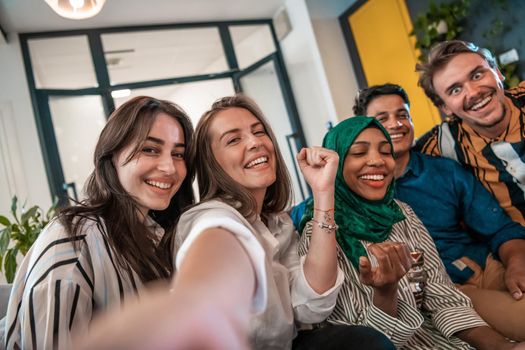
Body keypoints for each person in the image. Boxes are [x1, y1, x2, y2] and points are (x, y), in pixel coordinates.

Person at [173, 94, 394, 350]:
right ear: (212, 164)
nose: (255, 142)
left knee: (364, 341)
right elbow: (215, 240)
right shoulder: (211, 218)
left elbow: (311, 306)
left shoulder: (278, 223)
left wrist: (323, 192)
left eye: (259, 132)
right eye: (234, 139)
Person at [298, 115, 525, 349]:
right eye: (358, 153)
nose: (377, 160)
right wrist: (386, 293)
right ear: (335, 165)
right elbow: (364, 342)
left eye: (386, 151)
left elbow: (442, 297)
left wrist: (502, 347)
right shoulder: (320, 235)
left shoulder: (401, 213)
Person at [4, 96, 196, 349]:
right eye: (150, 149)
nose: (170, 167)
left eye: (178, 153)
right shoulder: (74, 241)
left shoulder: (155, 232)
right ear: (112, 155)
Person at [353, 83, 525, 340]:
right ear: (363, 129)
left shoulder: (444, 172)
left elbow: (499, 228)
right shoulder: (354, 188)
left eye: (402, 115)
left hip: (485, 264)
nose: (396, 124)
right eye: (382, 118)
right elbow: (306, 215)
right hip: (440, 287)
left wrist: (517, 264)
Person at [414, 40, 525, 227]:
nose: (473, 93)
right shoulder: (439, 147)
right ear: (444, 107)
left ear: (497, 72)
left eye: (477, 75)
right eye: (456, 90)